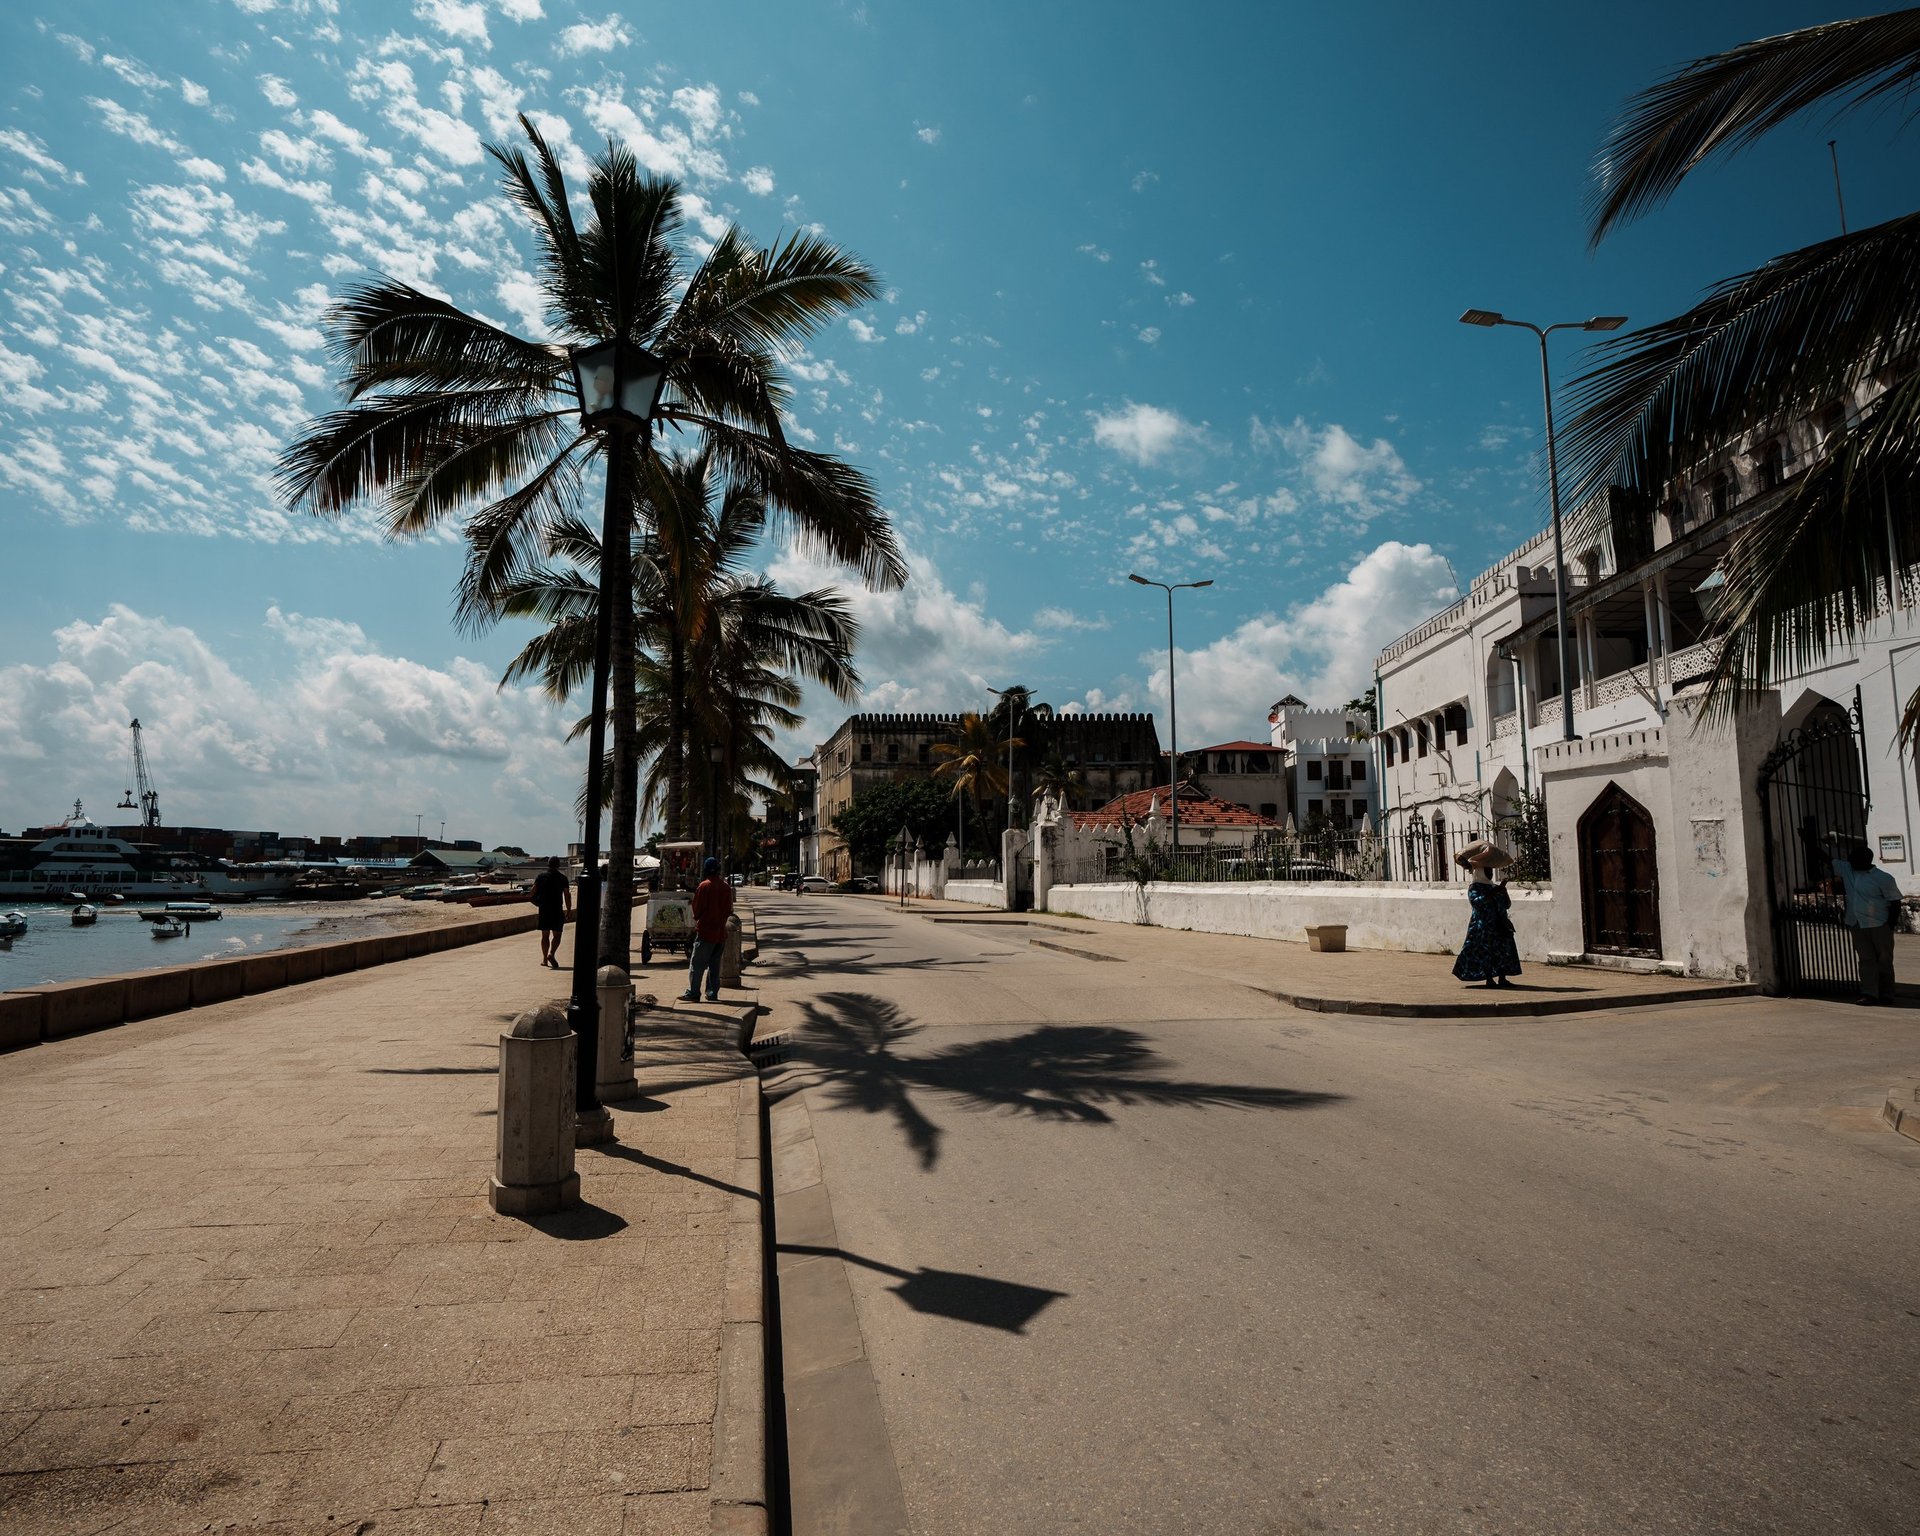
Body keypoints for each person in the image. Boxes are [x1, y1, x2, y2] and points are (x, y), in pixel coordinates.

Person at [1833, 841, 1902, 1005]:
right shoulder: (1849, 871)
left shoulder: (1883, 878)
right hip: (1857, 923)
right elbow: (1827, 860)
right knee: (1866, 960)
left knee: (1884, 960)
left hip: (1879, 924)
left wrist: (1889, 925)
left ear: (1866, 860)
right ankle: (1869, 992)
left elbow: (1895, 903)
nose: (1851, 862)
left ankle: (1886, 993)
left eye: (1854, 859)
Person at [1451, 839, 1521, 989]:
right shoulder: (1475, 887)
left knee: (1503, 951)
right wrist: (1495, 892)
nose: (1489, 873)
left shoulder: (1494, 887)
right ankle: (1489, 979)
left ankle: (1503, 978)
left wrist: (1503, 892)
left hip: (1500, 924)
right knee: (1486, 953)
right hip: (1483, 926)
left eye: (1490, 871)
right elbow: (1477, 902)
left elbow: (1507, 904)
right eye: (1487, 871)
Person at [680, 856, 734, 1003]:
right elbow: (729, 910)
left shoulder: (704, 886)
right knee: (714, 966)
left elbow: (696, 912)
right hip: (720, 933)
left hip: (705, 933)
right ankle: (712, 993)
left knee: (697, 965)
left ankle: (694, 992)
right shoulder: (725, 887)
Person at [531, 857, 571, 970]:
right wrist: (568, 909)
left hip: (544, 910)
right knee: (557, 935)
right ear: (558, 865)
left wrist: (537, 902)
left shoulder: (541, 877)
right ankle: (551, 953)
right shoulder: (563, 878)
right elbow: (567, 895)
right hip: (557, 909)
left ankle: (544, 959)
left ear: (548, 864)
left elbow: (532, 892)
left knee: (545, 935)